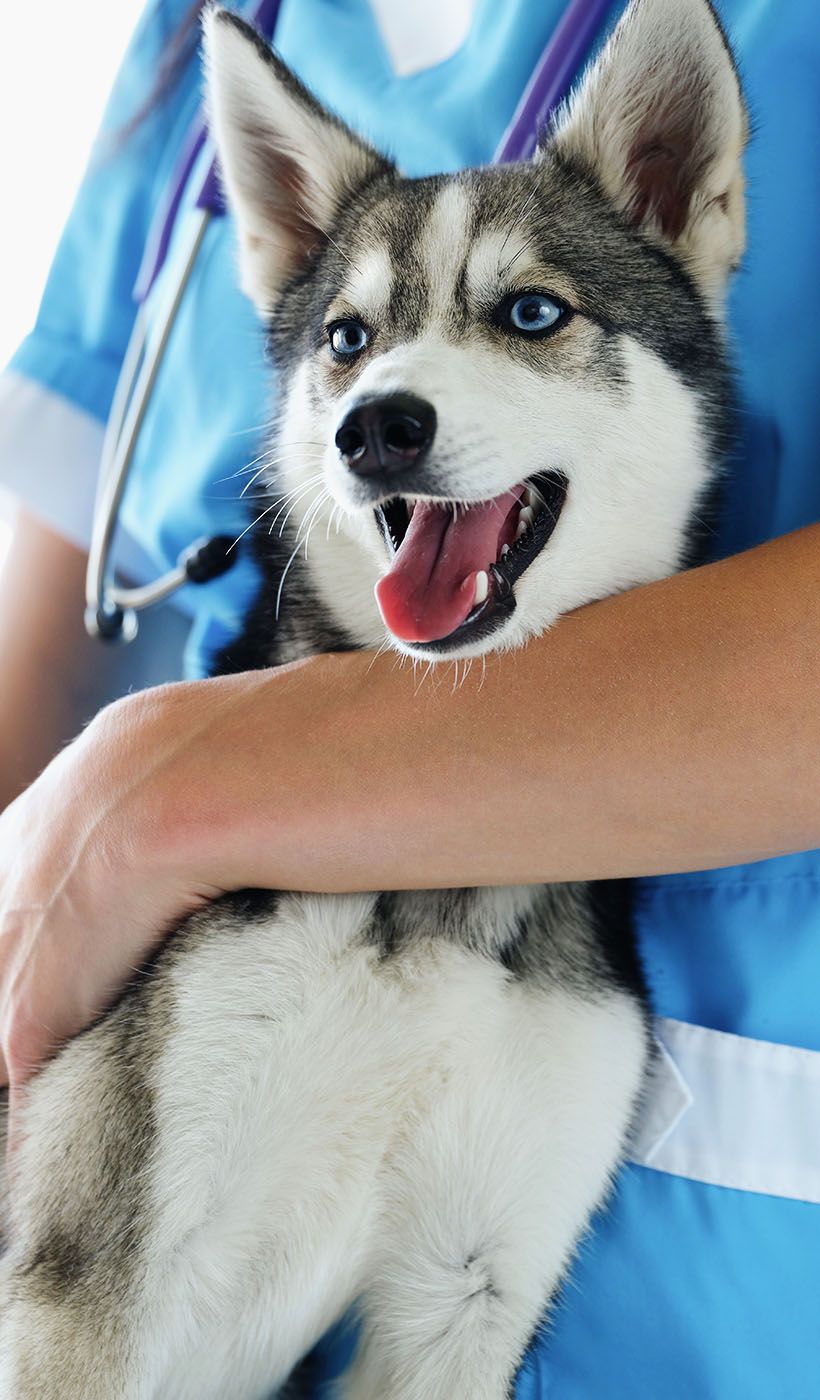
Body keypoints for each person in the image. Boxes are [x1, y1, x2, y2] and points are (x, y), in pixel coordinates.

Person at [0, 0, 818, 1395]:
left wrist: (164, 797)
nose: (383, 399)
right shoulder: (213, 42)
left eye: (529, 315)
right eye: (351, 347)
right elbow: (41, 633)